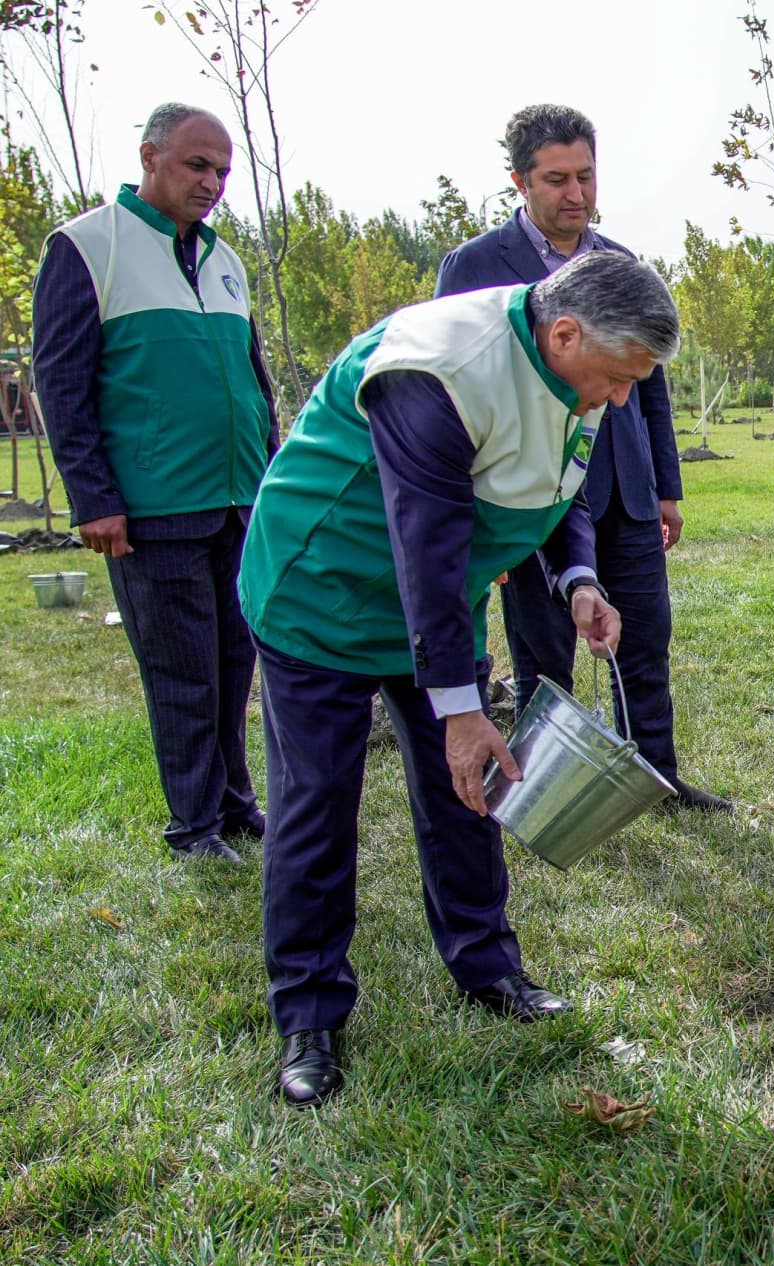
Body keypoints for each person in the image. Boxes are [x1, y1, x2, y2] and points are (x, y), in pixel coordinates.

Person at [237, 251, 676, 1106]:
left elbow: (560, 488)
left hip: (435, 600)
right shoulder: (441, 367)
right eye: (620, 378)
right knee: (317, 801)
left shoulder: (577, 374)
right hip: (323, 590)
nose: (622, 398)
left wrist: (577, 579)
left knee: (468, 790)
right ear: (563, 332)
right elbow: (425, 541)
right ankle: (310, 1013)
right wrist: (460, 705)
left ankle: (487, 970)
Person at [436, 104, 729, 813]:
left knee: (644, 636)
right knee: (544, 649)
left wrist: (664, 484)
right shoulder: (474, 267)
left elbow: (650, 385)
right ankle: (544, 792)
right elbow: (457, 394)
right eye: (557, 179)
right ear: (520, 181)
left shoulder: (623, 266)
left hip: (625, 490)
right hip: (529, 494)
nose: (576, 194)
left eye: (586, 176)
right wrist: (481, 523)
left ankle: (654, 780)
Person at [33, 103, 277, 864]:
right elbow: (61, 382)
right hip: (152, 509)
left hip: (239, 503)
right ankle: (193, 827)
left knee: (235, 666)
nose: (212, 183)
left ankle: (235, 806)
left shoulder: (226, 260)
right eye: (197, 166)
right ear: (150, 156)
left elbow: (254, 383)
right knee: (182, 673)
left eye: (223, 172)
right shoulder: (86, 245)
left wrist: (275, 486)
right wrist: (94, 499)